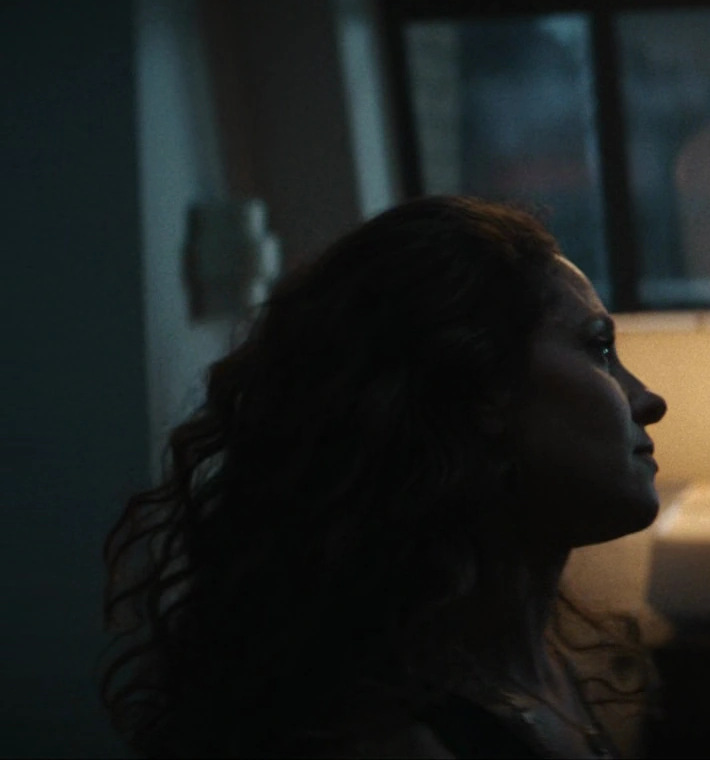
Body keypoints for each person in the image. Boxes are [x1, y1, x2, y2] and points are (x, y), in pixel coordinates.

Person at [101, 197, 668, 758]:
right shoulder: (385, 740)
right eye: (599, 348)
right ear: (476, 386)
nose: (648, 399)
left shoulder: (560, 675)